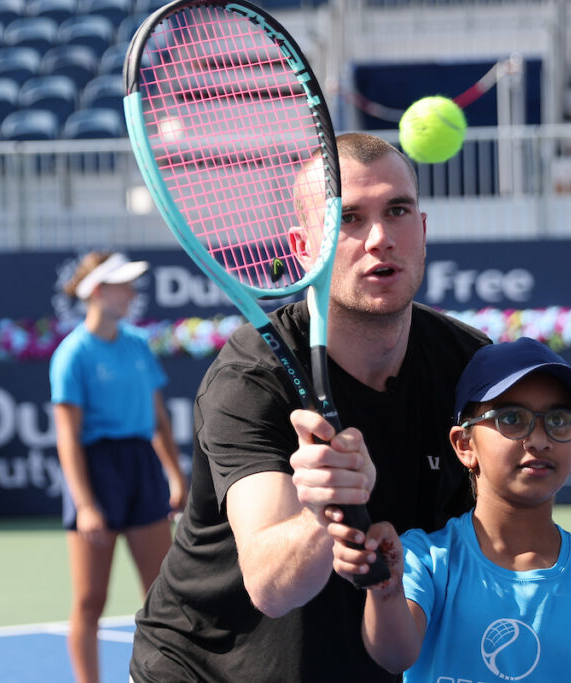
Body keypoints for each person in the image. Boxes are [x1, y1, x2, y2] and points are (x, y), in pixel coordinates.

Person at [129, 132, 492, 682]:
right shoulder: (252, 377)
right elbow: (271, 587)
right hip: (208, 670)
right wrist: (322, 512)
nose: (379, 238)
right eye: (348, 218)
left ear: (421, 230)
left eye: (397, 211)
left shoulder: (470, 366)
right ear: (305, 248)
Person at [328, 337, 571, 682]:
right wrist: (386, 591)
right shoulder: (425, 561)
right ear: (464, 445)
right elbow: (395, 654)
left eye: (559, 420)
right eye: (512, 418)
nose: (539, 439)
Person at [50, 251, 187, 683]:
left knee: (162, 595)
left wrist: (176, 475)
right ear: (96, 291)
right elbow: (67, 437)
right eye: (122, 285)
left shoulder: (137, 346)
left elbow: (159, 419)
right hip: (97, 472)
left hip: (142, 470)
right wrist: (86, 503)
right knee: (91, 601)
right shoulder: (72, 355)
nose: (131, 293)